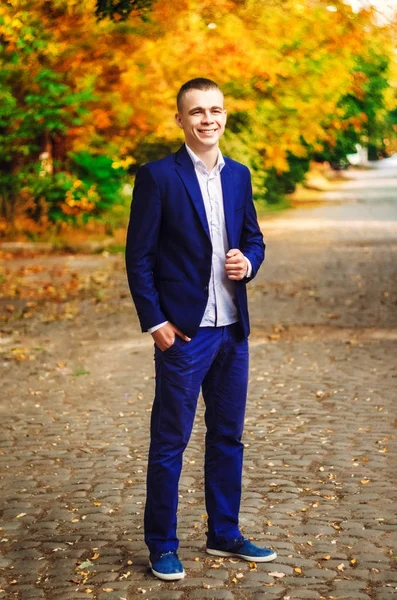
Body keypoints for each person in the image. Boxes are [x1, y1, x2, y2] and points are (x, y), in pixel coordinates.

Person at [125, 78, 277, 581]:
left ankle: (224, 533)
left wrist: (247, 263)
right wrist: (156, 323)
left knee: (229, 436)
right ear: (181, 120)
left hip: (233, 329)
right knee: (171, 440)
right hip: (185, 334)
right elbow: (139, 256)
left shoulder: (239, 175)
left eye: (215, 110)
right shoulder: (158, 176)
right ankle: (162, 544)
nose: (207, 119)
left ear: (225, 116)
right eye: (196, 112)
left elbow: (254, 238)